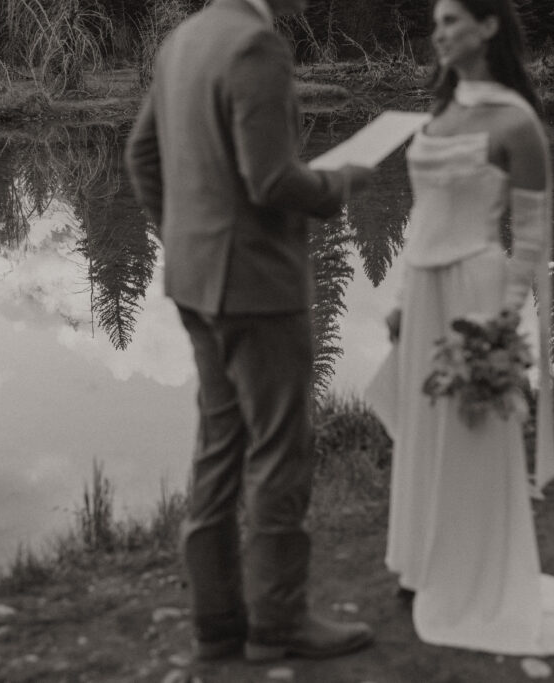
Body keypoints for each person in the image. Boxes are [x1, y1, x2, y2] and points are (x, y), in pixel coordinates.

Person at [367, 0, 554, 656]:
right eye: (436, 22)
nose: (439, 32)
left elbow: (532, 239)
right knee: (424, 428)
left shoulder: (517, 123)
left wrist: (501, 323)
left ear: (487, 27)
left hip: (474, 292)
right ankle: (423, 567)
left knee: (473, 432)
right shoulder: (440, 111)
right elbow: (424, 215)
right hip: (425, 291)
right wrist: (401, 297)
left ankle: (477, 575)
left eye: (452, 20)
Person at [125, 0, 375, 663]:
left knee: (220, 443)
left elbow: (141, 155)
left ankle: (216, 624)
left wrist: (184, 237)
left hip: (196, 282)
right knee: (280, 447)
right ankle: (278, 623)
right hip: (257, 287)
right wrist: (339, 183)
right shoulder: (255, 45)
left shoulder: (183, 40)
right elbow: (270, 180)